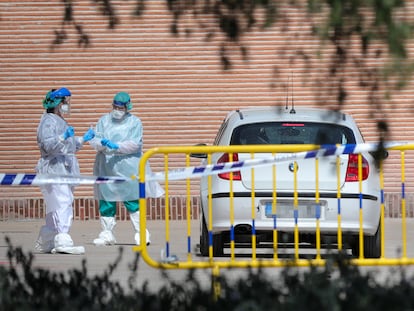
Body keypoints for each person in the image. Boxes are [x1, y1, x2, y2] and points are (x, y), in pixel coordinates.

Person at [90, 91, 163, 246]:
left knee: (132, 200)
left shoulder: (134, 122)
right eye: (115, 106)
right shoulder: (104, 121)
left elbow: (135, 144)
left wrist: (117, 146)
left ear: (127, 107)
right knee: (106, 201)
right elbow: (95, 140)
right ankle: (106, 234)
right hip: (107, 167)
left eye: (121, 107)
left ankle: (142, 233)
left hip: (128, 168)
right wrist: (102, 144)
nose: (117, 110)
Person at [35, 87, 95, 254]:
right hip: (54, 169)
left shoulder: (59, 120)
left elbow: (69, 146)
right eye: (64, 102)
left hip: (62, 168)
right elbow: (47, 145)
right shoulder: (49, 121)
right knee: (62, 202)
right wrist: (62, 137)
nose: (67, 105)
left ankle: (48, 241)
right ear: (56, 103)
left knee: (55, 205)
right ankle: (62, 240)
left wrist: (83, 138)